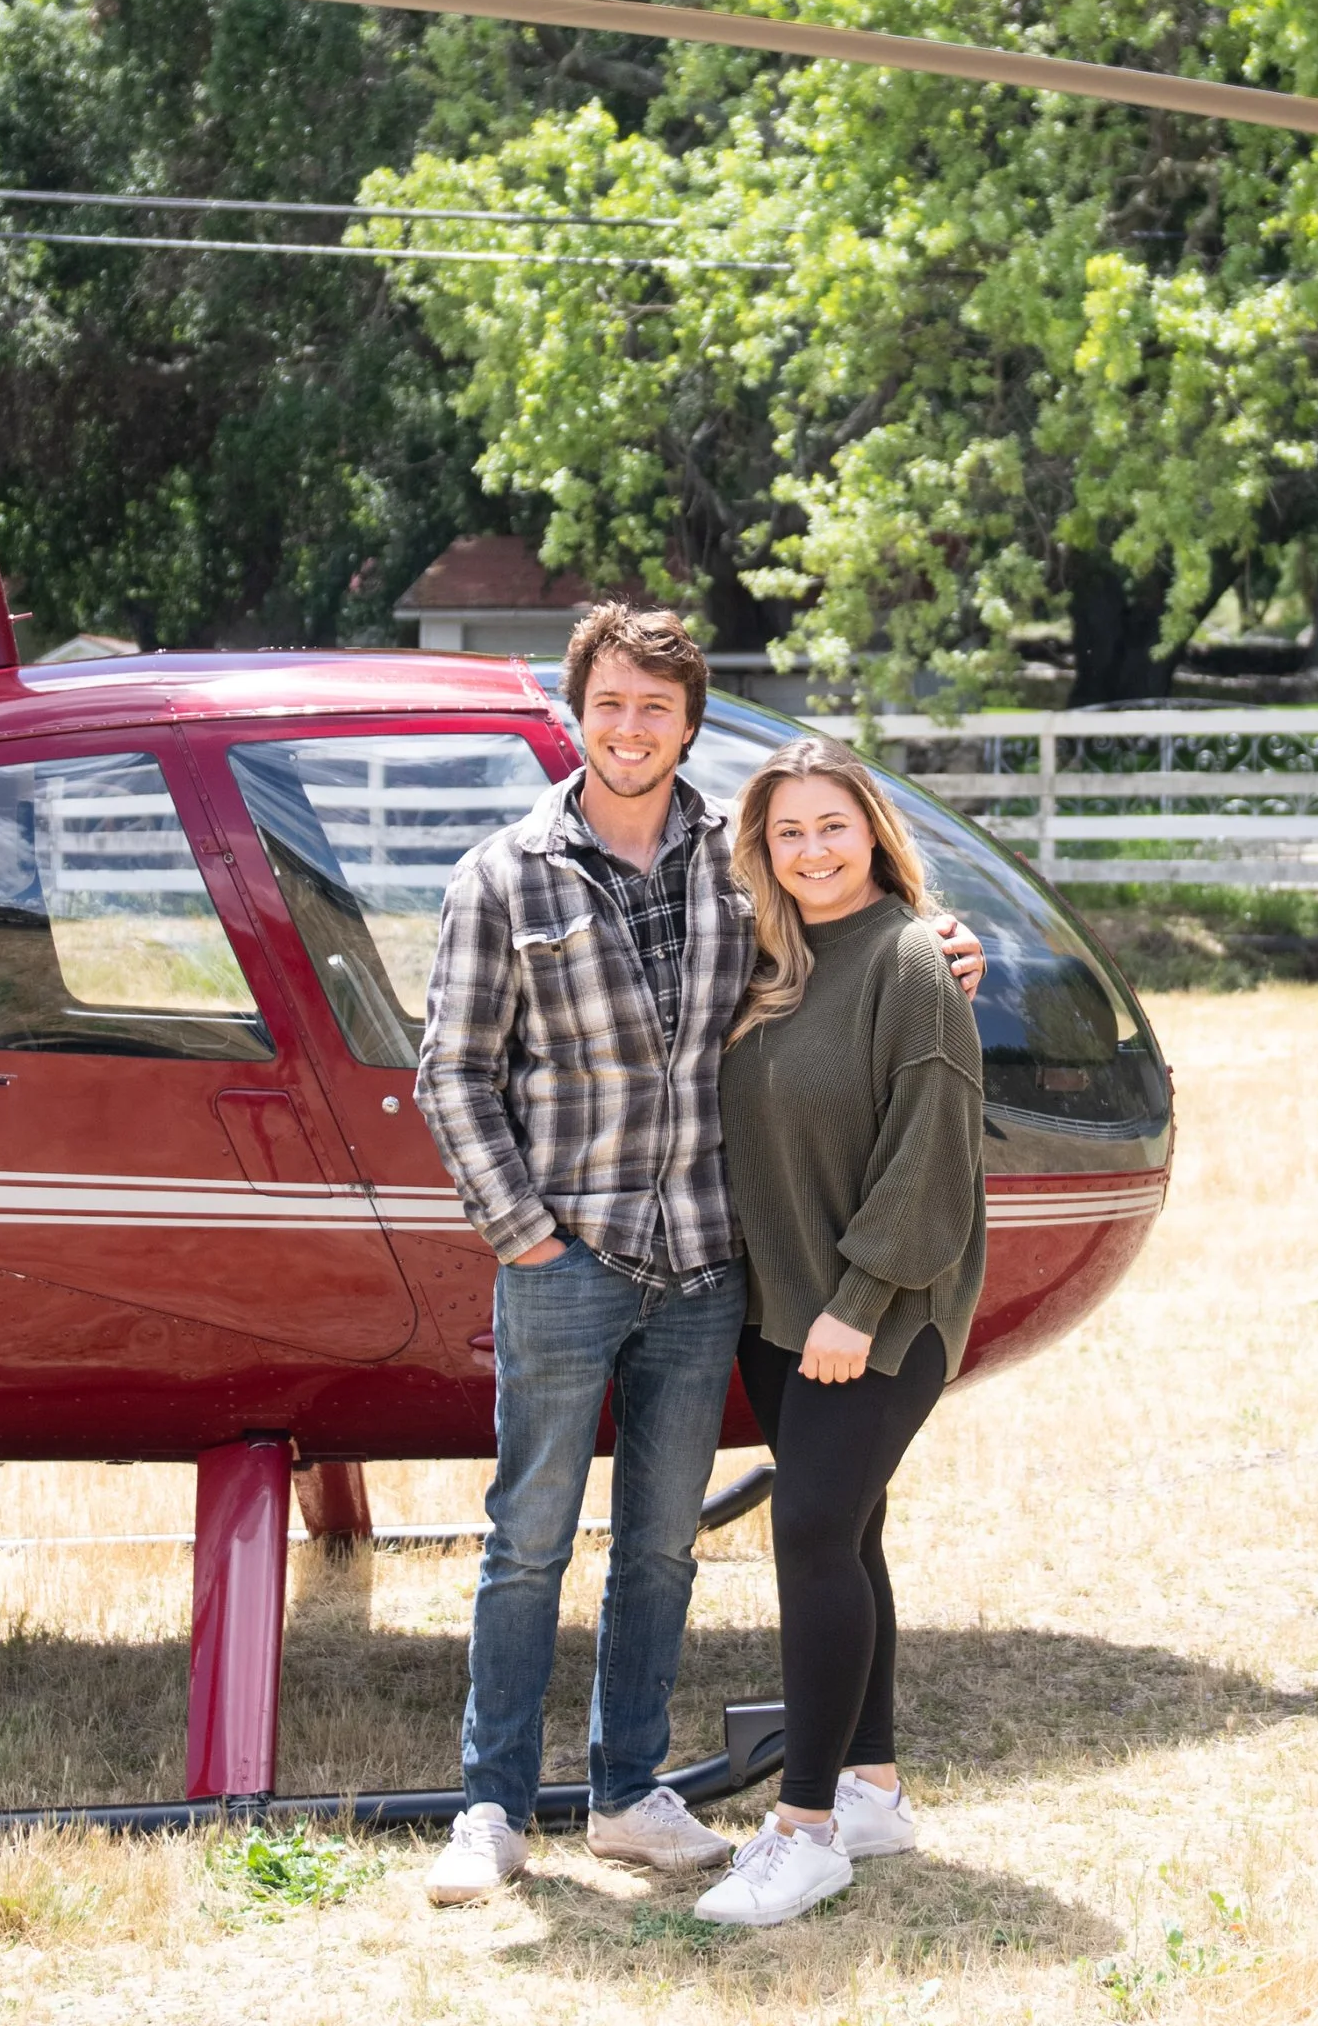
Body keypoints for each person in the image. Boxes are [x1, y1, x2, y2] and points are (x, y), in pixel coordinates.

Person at [414, 606, 982, 1906]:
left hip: (706, 1270)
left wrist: (946, 945)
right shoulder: (503, 875)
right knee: (527, 1541)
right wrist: (525, 1233)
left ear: (688, 725)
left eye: (656, 708)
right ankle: (493, 1808)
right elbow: (452, 1072)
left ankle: (626, 1796)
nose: (631, 728)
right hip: (567, 1258)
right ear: (577, 712)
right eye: (610, 703)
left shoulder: (741, 863)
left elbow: (861, 936)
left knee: (663, 1545)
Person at [691, 738, 987, 1931]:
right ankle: (872, 1792)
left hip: (881, 1310)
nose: (812, 850)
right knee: (847, 1533)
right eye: (788, 832)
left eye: (833, 826)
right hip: (781, 1312)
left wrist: (857, 1304)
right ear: (760, 849)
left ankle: (805, 1831)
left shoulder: (911, 960)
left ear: (872, 831)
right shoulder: (766, 963)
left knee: (810, 1531)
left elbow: (931, 1155)